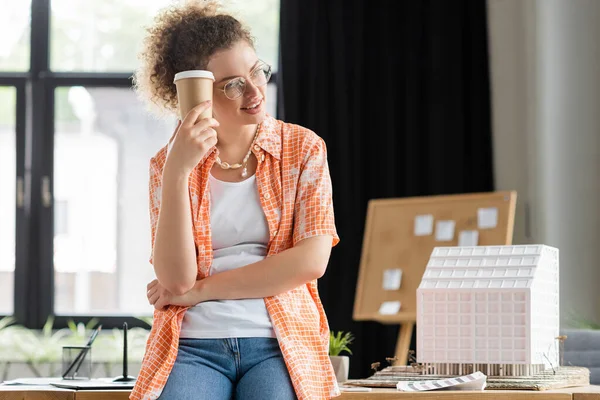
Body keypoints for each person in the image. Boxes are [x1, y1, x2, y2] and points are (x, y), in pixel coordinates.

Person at [130, 1, 340, 399]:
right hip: (193, 346)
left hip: (278, 343)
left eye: (257, 70)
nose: (255, 91)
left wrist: (201, 291)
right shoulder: (167, 165)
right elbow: (176, 280)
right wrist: (178, 173)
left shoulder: (303, 149)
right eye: (232, 84)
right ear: (195, 94)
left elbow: (311, 262)